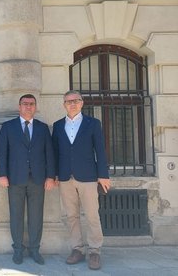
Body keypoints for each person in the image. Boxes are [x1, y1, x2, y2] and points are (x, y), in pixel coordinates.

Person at [52, 90, 110, 270]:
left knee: (92, 215)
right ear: (64, 105)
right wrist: (54, 174)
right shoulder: (58, 125)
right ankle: (77, 249)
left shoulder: (92, 124)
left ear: (82, 103)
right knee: (72, 216)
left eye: (76, 100)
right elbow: (55, 152)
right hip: (65, 177)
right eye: (68, 101)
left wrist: (103, 175)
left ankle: (95, 251)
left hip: (88, 177)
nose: (72, 104)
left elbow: (100, 150)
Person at [0, 94, 55, 265]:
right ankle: (18, 250)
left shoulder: (43, 128)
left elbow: (49, 153)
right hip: (14, 179)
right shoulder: (8, 127)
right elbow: (2, 153)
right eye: (25, 104)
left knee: (36, 216)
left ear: (35, 107)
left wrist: (50, 176)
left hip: (38, 179)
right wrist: (2, 174)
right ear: (19, 106)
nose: (28, 106)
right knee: (16, 215)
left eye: (31, 104)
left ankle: (35, 249)